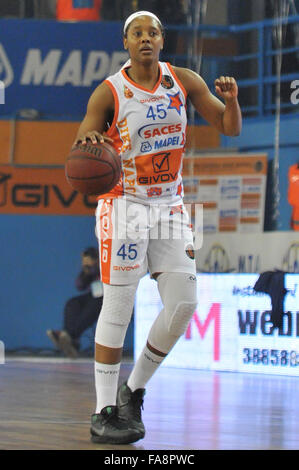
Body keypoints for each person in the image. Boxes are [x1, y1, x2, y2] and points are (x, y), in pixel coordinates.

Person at [74, 11, 242, 445]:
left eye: (153, 32)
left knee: (184, 304)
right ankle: (103, 411)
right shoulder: (109, 92)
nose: (145, 38)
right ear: (125, 43)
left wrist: (234, 100)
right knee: (119, 306)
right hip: (124, 205)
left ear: (162, 40)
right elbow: (83, 141)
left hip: (169, 205)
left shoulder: (183, 80)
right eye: (137, 33)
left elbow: (229, 127)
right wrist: (90, 142)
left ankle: (133, 391)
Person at [47, 247, 103, 358]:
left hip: (108, 297)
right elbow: (80, 285)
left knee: (94, 305)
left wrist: (94, 267)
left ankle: (70, 337)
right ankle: (69, 338)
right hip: (93, 295)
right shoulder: (89, 270)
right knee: (72, 304)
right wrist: (86, 271)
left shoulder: (104, 264)